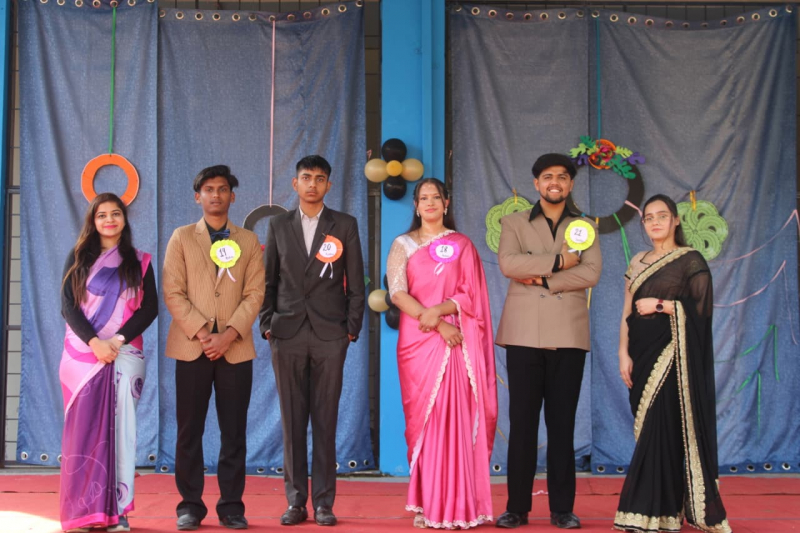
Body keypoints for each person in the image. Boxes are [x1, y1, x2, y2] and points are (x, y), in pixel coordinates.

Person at [495, 153, 602, 530]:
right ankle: (516, 508)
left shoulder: (585, 227)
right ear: (536, 183)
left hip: (568, 335)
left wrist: (542, 278)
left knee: (562, 426)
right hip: (523, 334)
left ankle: (562, 509)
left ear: (570, 184)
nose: (554, 182)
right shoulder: (513, 222)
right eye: (547, 176)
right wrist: (559, 262)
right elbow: (509, 264)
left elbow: (591, 272)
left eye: (561, 177)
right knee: (522, 424)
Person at [258, 155, 365, 527]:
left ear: (328, 185)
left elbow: (356, 283)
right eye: (306, 177)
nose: (312, 184)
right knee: (291, 421)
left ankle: (323, 503)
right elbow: (268, 282)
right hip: (286, 334)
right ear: (295, 183)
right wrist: (267, 325)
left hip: (330, 335)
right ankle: (295, 501)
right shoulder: (278, 225)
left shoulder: (344, 225)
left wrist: (350, 329)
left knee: (325, 420)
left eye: (320, 178)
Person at [614, 194, 731, 533]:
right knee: (649, 430)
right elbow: (627, 311)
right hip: (641, 354)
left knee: (661, 430)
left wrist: (662, 305)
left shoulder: (690, 260)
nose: (655, 222)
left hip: (673, 357)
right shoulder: (638, 261)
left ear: (675, 220)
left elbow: (701, 312)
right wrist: (623, 352)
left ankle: (643, 511)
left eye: (662, 216)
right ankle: (664, 512)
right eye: (649, 217)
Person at [386, 178, 497, 529]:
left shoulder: (462, 245)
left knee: (455, 421)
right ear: (416, 205)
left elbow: (473, 294)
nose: (430, 202)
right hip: (419, 342)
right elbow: (397, 293)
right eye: (424, 198)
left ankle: (460, 504)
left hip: (455, 341)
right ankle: (427, 501)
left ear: (447, 203)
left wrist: (442, 311)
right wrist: (434, 321)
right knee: (425, 422)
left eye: (436, 197)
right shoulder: (402, 244)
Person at [163, 165, 265, 531]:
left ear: (232, 196)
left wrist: (228, 335)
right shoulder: (181, 238)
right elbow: (173, 291)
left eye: (222, 189)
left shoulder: (248, 241)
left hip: (235, 350)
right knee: (189, 431)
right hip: (192, 347)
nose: (216, 195)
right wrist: (206, 334)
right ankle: (190, 506)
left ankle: (232, 507)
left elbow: (255, 294)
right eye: (209, 189)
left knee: (233, 432)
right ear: (198, 197)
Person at [59, 192, 158, 533]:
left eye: (116, 214)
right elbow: (68, 306)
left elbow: (149, 309)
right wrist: (95, 343)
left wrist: (115, 341)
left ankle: (117, 511)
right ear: (93, 220)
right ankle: (83, 511)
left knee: (121, 433)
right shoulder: (78, 258)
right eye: (102, 215)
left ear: (124, 219)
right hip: (81, 357)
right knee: (83, 434)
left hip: (124, 353)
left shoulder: (139, 261)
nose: (109, 220)